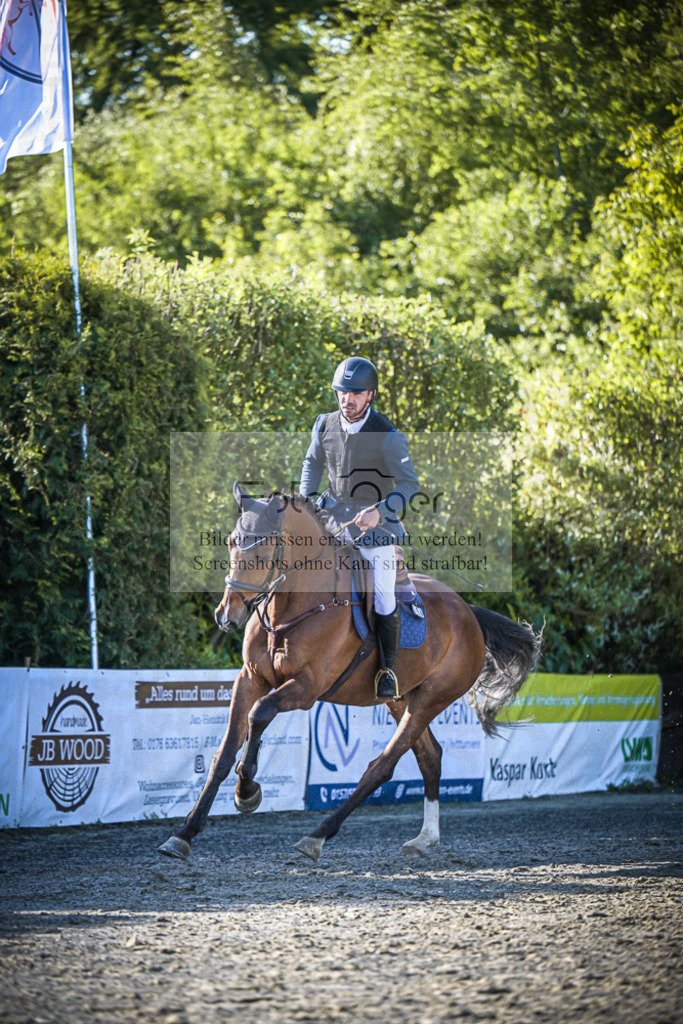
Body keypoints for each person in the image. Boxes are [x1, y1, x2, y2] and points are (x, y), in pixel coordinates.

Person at [299, 356, 420, 700]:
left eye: (355, 393)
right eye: (341, 392)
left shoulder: (388, 435)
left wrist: (380, 512)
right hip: (331, 517)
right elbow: (312, 463)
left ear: (371, 395)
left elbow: (410, 485)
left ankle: (387, 669)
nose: (346, 399)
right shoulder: (324, 424)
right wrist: (307, 500)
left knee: (382, 596)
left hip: (374, 528)